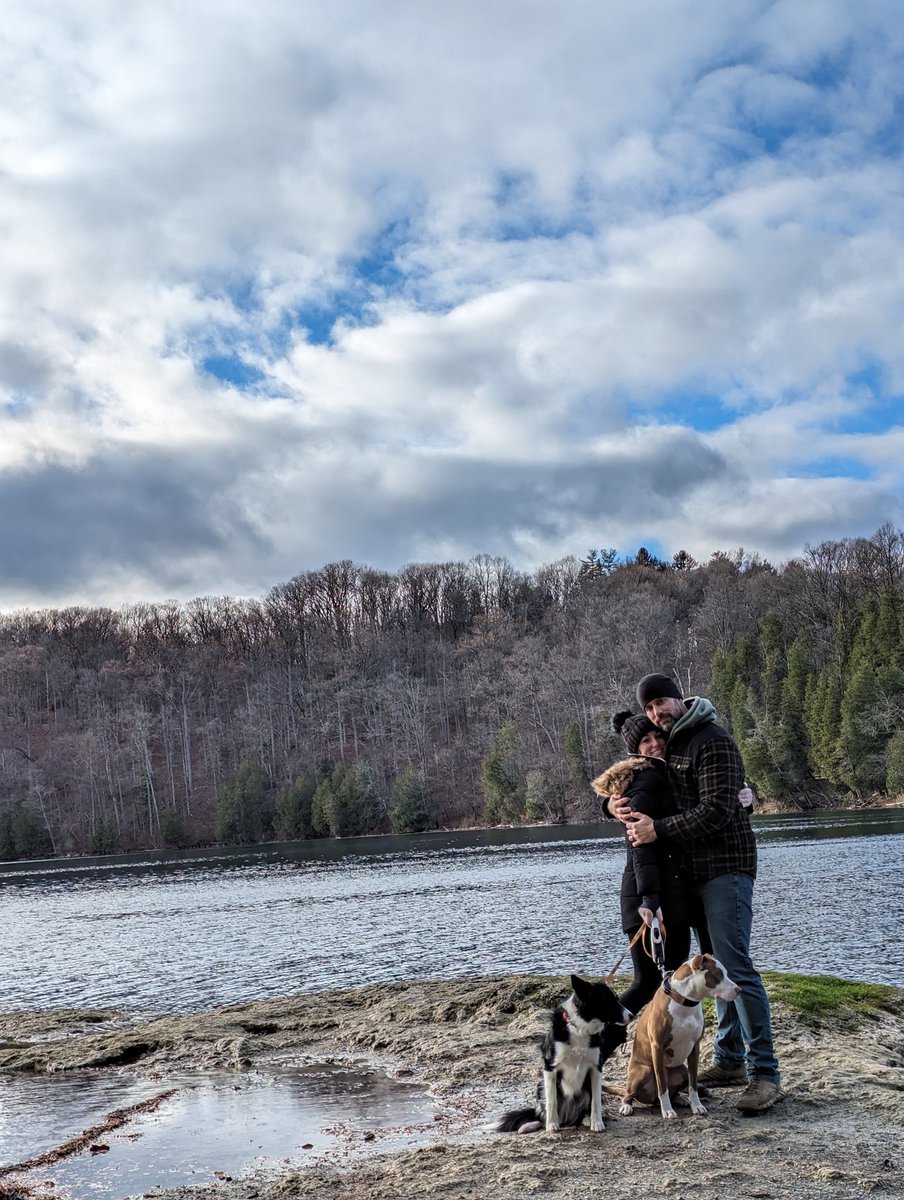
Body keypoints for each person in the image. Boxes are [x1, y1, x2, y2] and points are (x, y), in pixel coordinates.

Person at [613, 672, 784, 1115]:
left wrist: (659, 828)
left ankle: (765, 1074)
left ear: (679, 698)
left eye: (662, 703)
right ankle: (728, 1060)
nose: (657, 713)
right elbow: (641, 783)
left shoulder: (711, 739)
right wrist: (611, 803)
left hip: (726, 869)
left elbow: (718, 808)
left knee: (736, 966)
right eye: (649, 709)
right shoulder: (672, 748)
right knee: (715, 970)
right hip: (692, 880)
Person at [592, 711, 692, 1017]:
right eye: (645, 740)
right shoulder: (648, 778)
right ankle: (595, 1041)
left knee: (661, 984)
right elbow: (640, 843)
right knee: (651, 983)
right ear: (635, 750)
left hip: (661, 895)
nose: (655, 744)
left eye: (657, 736)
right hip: (652, 899)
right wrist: (650, 898)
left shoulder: (658, 774)